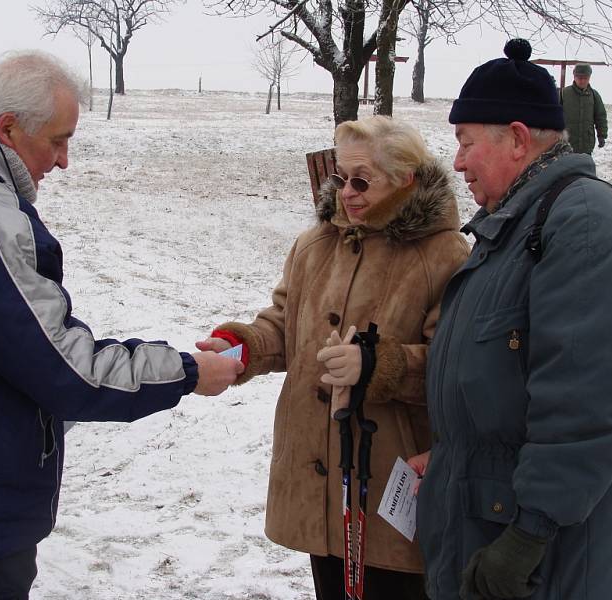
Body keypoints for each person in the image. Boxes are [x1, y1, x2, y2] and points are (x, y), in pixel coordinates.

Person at [0, 51, 244, 599]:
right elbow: (64, 366)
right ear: (8, 129)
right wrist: (186, 372)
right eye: (58, 141)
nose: (64, 161)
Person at [413, 39, 612, 600]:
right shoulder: (510, 225)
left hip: (551, 555)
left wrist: (531, 532)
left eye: (466, 142)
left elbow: (592, 399)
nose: (456, 161)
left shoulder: (581, 224)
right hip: (493, 517)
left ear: (518, 139)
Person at [196, 116, 469, 599]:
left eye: (362, 180)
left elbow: (459, 368)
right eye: (341, 178)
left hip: (388, 481)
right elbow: (284, 324)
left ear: (405, 180)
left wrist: (378, 365)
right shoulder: (315, 244)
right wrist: (240, 348)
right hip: (315, 473)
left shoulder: (443, 254)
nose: (347, 193)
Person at [561, 63, 608, 154]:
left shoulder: (594, 95)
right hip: (566, 144)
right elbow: (555, 116)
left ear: (589, 78)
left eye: (585, 78)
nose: (582, 81)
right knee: (567, 168)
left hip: (586, 145)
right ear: (574, 77)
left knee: (584, 167)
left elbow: (600, 117)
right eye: (579, 78)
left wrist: (601, 135)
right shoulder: (563, 94)